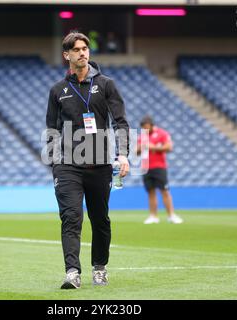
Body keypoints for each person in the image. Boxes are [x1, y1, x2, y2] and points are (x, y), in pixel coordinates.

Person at [46, 32, 130, 289]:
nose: (82, 53)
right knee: (71, 217)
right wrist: (54, 163)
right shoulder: (58, 90)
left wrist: (123, 154)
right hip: (68, 165)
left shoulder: (106, 85)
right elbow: (51, 129)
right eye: (77, 49)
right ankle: (72, 272)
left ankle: (100, 268)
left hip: (100, 164)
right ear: (67, 55)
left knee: (100, 219)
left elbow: (120, 121)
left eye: (85, 49)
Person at [136, 116, 183, 225]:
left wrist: (153, 147)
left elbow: (169, 147)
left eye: (147, 127)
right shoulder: (142, 136)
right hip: (146, 167)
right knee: (151, 192)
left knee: (164, 191)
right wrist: (141, 147)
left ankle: (171, 215)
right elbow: (136, 152)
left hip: (159, 167)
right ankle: (153, 216)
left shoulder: (162, 134)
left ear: (152, 125)